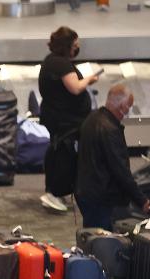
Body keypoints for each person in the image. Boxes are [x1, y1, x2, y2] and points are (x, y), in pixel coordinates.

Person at [37, 26, 99, 214]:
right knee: (63, 153)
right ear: (67, 45)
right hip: (65, 120)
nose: (77, 47)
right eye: (74, 44)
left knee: (60, 151)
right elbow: (74, 88)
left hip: (58, 117)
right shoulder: (61, 64)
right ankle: (54, 191)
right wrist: (89, 79)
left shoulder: (52, 61)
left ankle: (57, 189)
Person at [76, 84, 150, 231]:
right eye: (128, 107)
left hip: (86, 191)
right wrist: (140, 199)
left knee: (92, 237)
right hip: (101, 196)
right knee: (102, 242)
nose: (128, 111)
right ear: (122, 106)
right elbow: (120, 169)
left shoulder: (92, 119)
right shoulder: (110, 129)